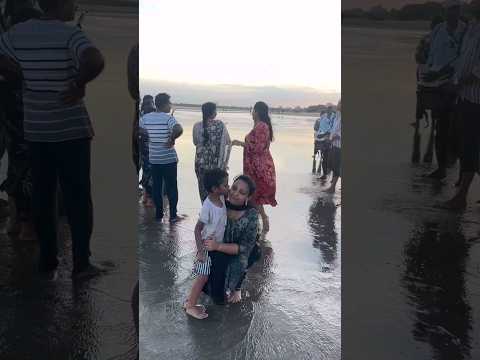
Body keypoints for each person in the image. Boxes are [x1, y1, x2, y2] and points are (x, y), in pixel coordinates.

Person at [0, 0, 105, 280]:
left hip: (36, 129)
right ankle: (82, 264)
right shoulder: (70, 34)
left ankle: (47, 260)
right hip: (71, 130)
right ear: (60, 4)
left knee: (42, 194)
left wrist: (18, 73)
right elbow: (95, 59)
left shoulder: (17, 33)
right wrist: (78, 83)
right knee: (78, 197)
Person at [421, 0, 467, 179]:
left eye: (457, 9)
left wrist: (439, 72)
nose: (454, 12)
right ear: (445, 11)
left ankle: (462, 173)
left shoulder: (466, 31)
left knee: (458, 131)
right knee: (440, 129)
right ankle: (441, 168)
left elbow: (462, 59)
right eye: (451, 9)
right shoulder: (438, 30)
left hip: (457, 87)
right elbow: (428, 53)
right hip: (436, 86)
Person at [443, 0, 480, 209]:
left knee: (470, 146)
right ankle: (461, 195)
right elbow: (464, 59)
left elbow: (477, 71)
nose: (471, 4)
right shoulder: (473, 27)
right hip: (464, 96)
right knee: (464, 145)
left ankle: (461, 197)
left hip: (476, 99)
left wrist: (456, 84)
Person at [203, 175, 259, 304]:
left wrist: (218, 246)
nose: (235, 194)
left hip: (236, 253)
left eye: (242, 192)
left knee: (255, 251)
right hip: (215, 249)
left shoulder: (252, 214)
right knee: (211, 292)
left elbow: (245, 248)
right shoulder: (219, 203)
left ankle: (237, 286)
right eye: (234, 188)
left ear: (248, 197)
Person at [184, 168, 229, 319]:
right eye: (225, 185)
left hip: (214, 245)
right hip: (206, 246)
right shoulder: (208, 206)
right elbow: (197, 229)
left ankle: (190, 300)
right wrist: (201, 251)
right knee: (202, 277)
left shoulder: (221, 199)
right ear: (215, 189)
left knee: (205, 276)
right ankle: (190, 306)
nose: (228, 188)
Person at [232, 101, 277, 233]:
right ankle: (259, 221)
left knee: (254, 195)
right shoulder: (258, 125)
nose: (252, 113)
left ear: (257, 111)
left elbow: (257, 148)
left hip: (260, 166)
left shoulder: (262, 126)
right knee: (253, 196)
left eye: (253, 110)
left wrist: (240, 143)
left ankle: (260, 221)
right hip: (253, 165)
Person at [139, 93, 183, 222]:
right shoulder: (168, 118)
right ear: (164, 104)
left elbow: (138, 129)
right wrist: (172, 138)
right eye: (169, 103)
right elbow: (178, 129)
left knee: (157, 187)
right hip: (169, 159)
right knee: (171, 187)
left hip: (154, 159)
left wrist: (147, 135)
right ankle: (173, 216)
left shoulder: (145, 118)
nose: (170, 106)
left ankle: (159, 215)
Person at [193, 102, 231, 202]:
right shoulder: (220, 125)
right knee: (218, 192)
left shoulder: (197, 126)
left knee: (203, 191)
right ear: (213, 112)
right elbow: (227, 142)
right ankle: (218, 213)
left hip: (201, 166)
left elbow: (195, 142)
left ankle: (206, 212)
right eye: (216, 110)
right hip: (216, 167)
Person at [139, 95, 155, 206]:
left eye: (152, 103)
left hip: (152, 149)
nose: (151, 106)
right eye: (148, 103)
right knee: (148, 173)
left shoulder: (154, 116)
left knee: (149, 173)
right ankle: (148, 197)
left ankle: (146, 196)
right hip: (143, 149)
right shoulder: (141, 117)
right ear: (143, 105)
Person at [313, 106, 336, 179]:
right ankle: (323, 172)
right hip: (322, 141)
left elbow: (316, 129)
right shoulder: (320, 120)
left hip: (327, 141)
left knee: (323, 157)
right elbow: (316, 129)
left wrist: (323, 134)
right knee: (322, 157)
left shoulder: (333, 119)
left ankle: (322, 171)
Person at [327, 100, 341, 193]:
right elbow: (333, 129)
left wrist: (335, 136)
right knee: (332, 164)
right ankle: (332, 186)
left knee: (336, 167)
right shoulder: (338, 115)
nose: (338, 104)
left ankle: (332, 187)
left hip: (340, 146)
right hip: (334, 145)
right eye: (338, 102)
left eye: (340, 103)